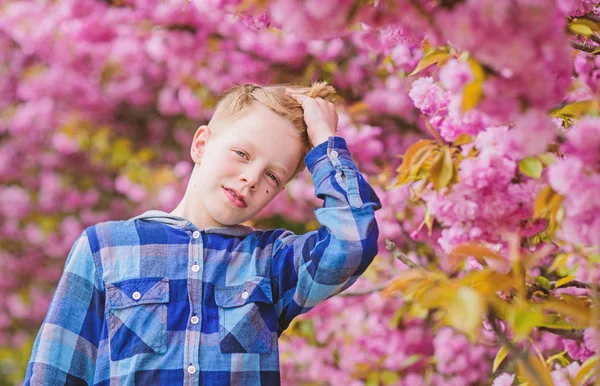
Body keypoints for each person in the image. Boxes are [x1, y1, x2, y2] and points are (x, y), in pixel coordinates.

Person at [24, 82, 382, 385]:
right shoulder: (105, 248)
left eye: (273, 176)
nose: (252, 178)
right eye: (242, 153)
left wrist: (326, 145)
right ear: (200, 145)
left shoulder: (271, 261)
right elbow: (53, 372)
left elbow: (351, 243)